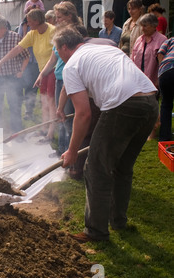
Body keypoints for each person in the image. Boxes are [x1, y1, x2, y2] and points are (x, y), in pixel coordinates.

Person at [53, 26, 158, 243]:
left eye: (57, 50)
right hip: (149, 102)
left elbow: (83, 114)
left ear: (64, 47)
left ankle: (96, 232)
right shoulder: (104, 49)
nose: (58, 55)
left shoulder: (71, 65)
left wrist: (72, 151)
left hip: (124, 104)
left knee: (96, 168)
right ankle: (118, 222)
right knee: (122, 167)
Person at [0, 9, 56, 144]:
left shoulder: (52, 31)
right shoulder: (32, 33)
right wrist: (1, 62)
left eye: (28, 20)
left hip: (54, 71)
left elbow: (55, 56)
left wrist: (44, 73)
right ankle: (44, 128)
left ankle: (51, 134)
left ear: (36, 21)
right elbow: (17, 49)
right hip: (42, 72)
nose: (26, 23)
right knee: (44, 102)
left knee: (51, 103)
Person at [34, 1, 81, 159]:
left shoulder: (76, 33)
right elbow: (53, 59)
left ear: (70, 15)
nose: (57, 20)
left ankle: (69, 151)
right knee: (59, 114)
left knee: (67, 116)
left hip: (72, 78)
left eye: (60, 17)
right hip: (59, 77)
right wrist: (42, 74)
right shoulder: (59, 33)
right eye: (57, 17)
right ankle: (61, 149)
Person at [0, 14, 30, 134]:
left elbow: (26, 57)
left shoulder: (15, 38)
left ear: (3, 28)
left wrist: (21, 71)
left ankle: (16, 133)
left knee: (15, 106)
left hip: (13, 78)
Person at [131, 13, 167, 140]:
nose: (143, 29)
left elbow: (163, 61)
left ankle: (152, 132)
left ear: (153, 26)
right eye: (141, 26)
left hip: (153, 78)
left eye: (145, 26)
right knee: (139, 104)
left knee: (152, 105)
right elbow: (133, 56)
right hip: (138, 78)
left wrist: (159, 78)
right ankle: (140, 129)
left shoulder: (161, 39)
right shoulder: (139, 39)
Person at [157, 37, 174, 141]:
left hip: (166, 71)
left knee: (166, 105)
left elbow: (160, 54)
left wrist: (160, 70)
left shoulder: (170, 40)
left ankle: (164, 138)